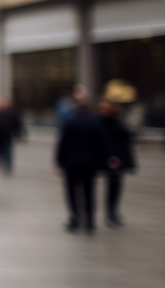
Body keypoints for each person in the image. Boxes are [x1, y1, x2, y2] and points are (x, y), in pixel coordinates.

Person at [56, 94, 108, 234]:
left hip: (71, 164)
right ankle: (90, 220)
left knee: (72, 192)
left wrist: (59, 161)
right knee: (89, 192)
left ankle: (75, 217)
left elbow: (62, 144)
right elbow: (102, 144)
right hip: (90, 165)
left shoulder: (69, 122)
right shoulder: (95, 122)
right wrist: (102, 162)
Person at [98, 99, 135, 227]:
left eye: (107, 109)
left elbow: (126, 140)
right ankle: (110, 212)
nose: (105, 111)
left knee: (115, 186)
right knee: (111, 185)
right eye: (103, 109)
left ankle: (112, 212)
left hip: (117, 160)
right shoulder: (98, 123)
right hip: (103, 158)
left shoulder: (118, 124)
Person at [0, 96, 25, 175]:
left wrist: (19, 134)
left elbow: (17, 124)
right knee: (0, 151)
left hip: (7, 136)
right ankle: (2, 163)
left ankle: (8, 165)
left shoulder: (12, 113)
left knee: (8, 151)